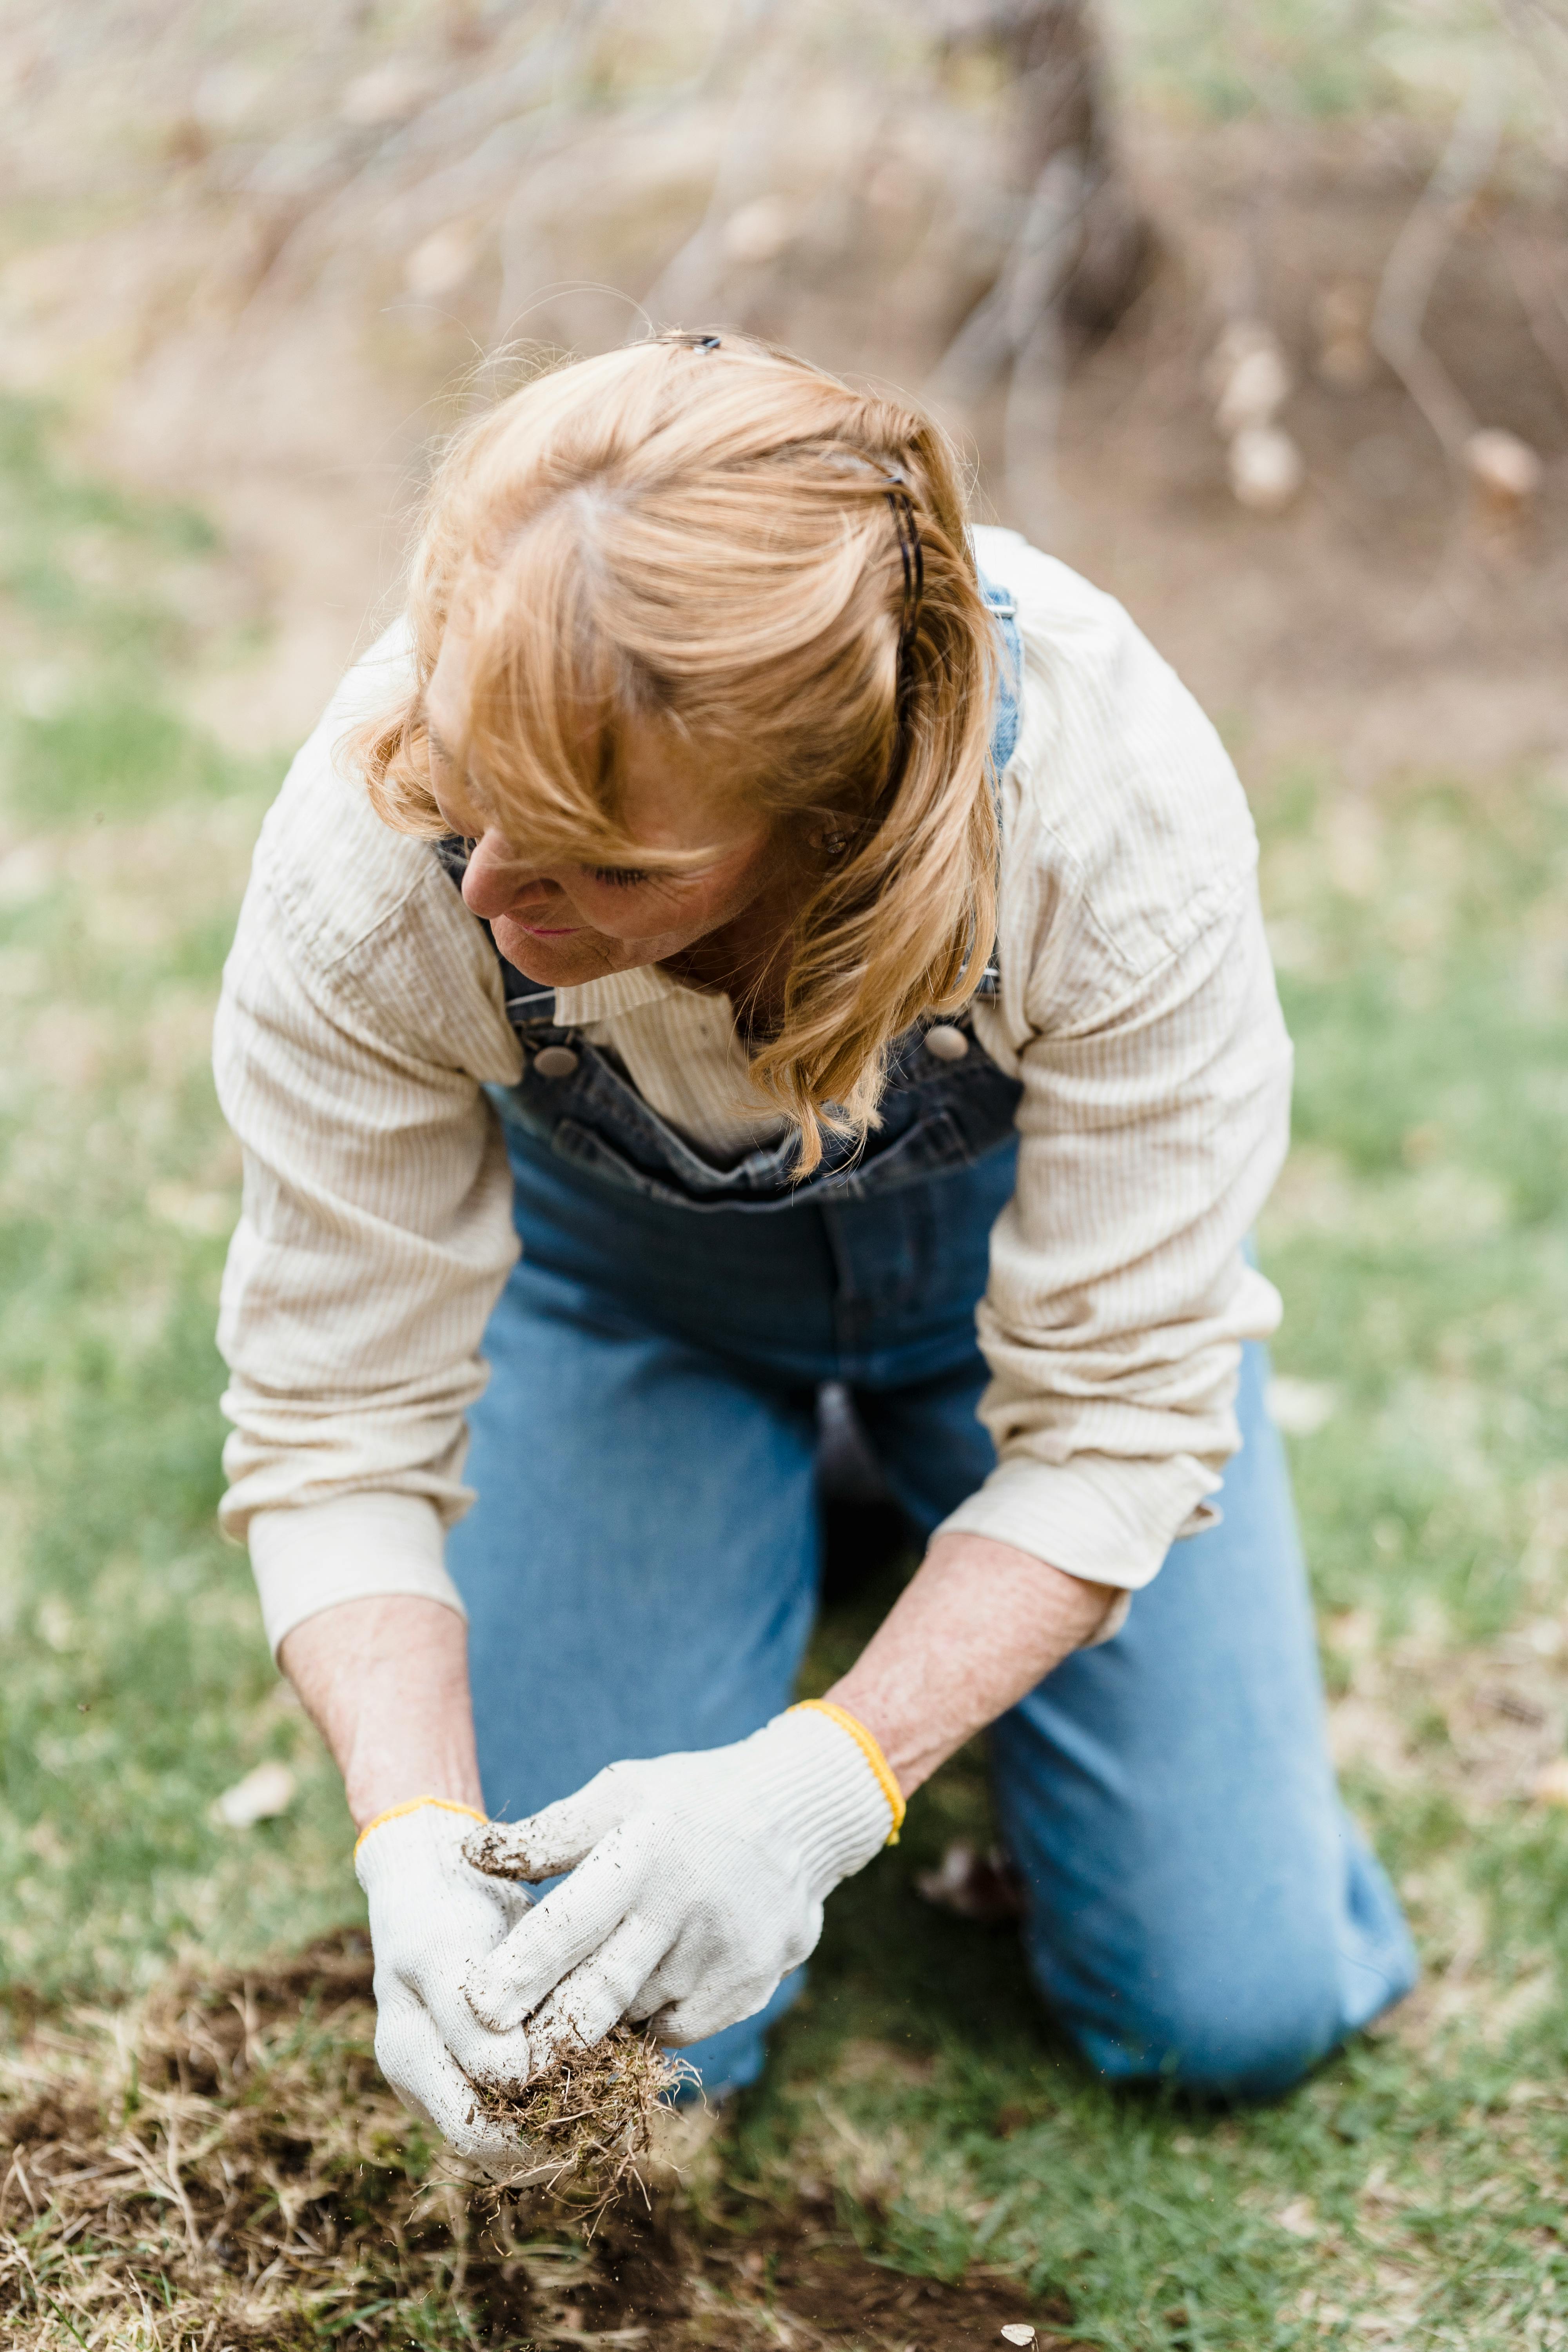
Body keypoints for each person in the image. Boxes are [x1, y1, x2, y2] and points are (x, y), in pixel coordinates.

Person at [213, 333, 1416, 2167]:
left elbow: (1115, 1420)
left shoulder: (1108, 810)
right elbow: (331, 1430)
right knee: (597, 2040)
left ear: (825, 830)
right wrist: (409, 1839)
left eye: (603, 870)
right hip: (632, 1316)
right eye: (476, 801)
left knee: (1224, 2009)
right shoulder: (369, 858)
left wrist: (824, 1787)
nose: (488, 895)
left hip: (1016, 1341)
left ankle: (897, 1494)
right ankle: (797, 1480)